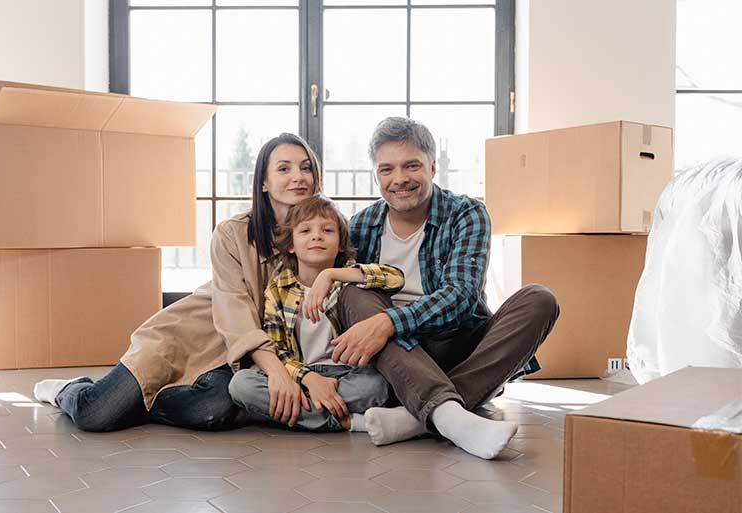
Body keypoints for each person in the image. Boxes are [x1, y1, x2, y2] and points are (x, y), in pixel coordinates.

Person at [33, 133, 321, 432]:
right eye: (284, 169)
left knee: (214, 410)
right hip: (187, 338)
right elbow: (235, 315)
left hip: (237, 358)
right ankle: (69, 389)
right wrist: (279, 373)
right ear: (264, 182)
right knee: (96, 415)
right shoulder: (232, 233)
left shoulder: (323, 233)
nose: (298, 177)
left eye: (306, 168)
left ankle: (142, 405)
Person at [331, 117, 560, 460]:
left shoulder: (466, 213)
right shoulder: (362, 224)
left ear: (433, 167)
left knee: (540, 300)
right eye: (386, 170)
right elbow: (350, 306)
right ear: (376, 174)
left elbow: (462, 296)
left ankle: (418, 418)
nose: (399, 180)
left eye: (412, 165)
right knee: (352, 292)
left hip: (458, 342)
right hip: (400, 357)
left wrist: (389, 323)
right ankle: (452, 416)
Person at [228, 195, 404, 432]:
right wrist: (309, 380)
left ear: (341, 242)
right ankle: (347, 421)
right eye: (305, 231)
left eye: (328, 230)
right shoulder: (278, 289)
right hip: (300, 375)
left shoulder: (349, 279)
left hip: (346, 374)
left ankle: (305, 416)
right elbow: (277, 349)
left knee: (377, 385)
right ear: (290, 244)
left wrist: (332, 275)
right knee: (241, 385)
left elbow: (395, 278)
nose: (316, 236)